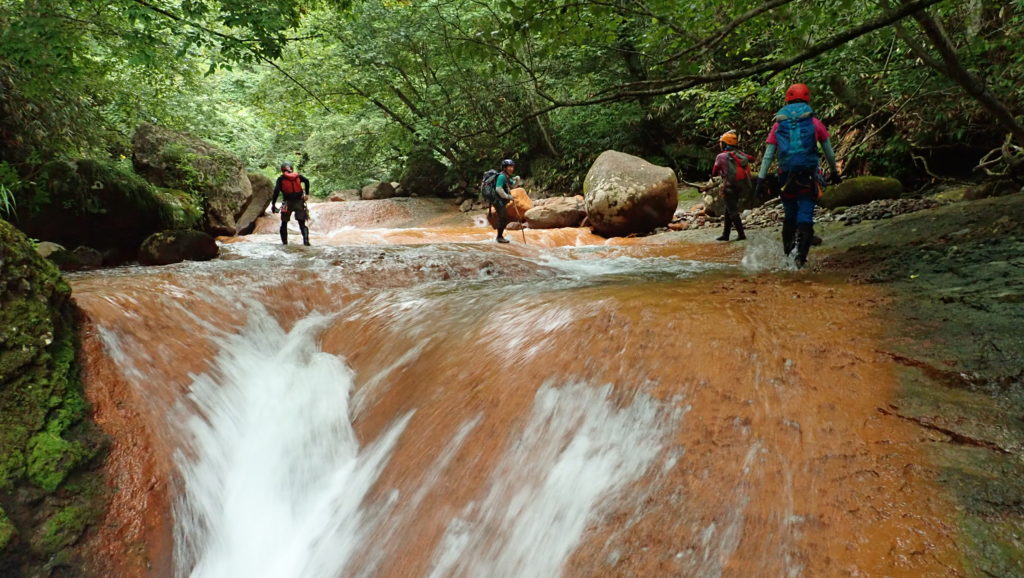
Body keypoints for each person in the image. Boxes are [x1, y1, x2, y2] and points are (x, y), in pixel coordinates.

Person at [754, 83, 841, 267]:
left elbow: (768, 155)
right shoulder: (814, 123)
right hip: (807, 176)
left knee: (790, 213)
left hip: (785, 176)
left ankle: (788, 254)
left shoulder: (778, 124)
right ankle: (800, 257)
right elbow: (830, 153)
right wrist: (834, 172)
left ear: (787, 99)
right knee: (805, 212)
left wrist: (760, 179)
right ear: (807, 99)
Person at [710, 130, 753, 241]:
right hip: (741, 186)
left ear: (725, 144)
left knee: (732, 211)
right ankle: (726, 234)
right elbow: (751, 158)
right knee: (728, 209)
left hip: (729, 187)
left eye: (721, 143)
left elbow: (714, 172)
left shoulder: (721, 156)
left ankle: (741, 234)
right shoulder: (740, 154)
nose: (720, 144)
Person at [271, 162, 311, 246]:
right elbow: (307, 181)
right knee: (302, 223)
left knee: (284, 223)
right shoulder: (298, 176)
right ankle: (306, 241)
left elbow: (276, 191)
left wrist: (273, 204)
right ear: (292, 169)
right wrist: (307, 194)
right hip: (299, 202)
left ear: (282, 170)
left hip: (286, 203)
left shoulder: (281, 179)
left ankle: (285, 243)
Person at [491, 159, 518, 243]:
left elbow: (513, 185)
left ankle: (499, 236)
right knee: (503, 218)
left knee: (503, 218)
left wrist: (517, 180)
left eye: (512, 167)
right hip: (498, 201)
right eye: (509, 167)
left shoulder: (506, 176)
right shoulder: (502, 176)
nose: (511, 169)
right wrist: (508, 196)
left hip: (501, 200)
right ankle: (499, 237)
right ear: (504, 168)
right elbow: (498, 189)